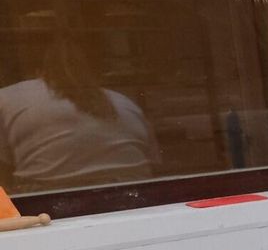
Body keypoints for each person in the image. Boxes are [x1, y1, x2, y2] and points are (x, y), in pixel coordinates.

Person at [0, 38, 160, 194]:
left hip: (50, 200)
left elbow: (3, 174)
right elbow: (154, 165)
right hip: (134, 195)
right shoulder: (124, 102)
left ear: (34, 69)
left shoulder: (8, 97)